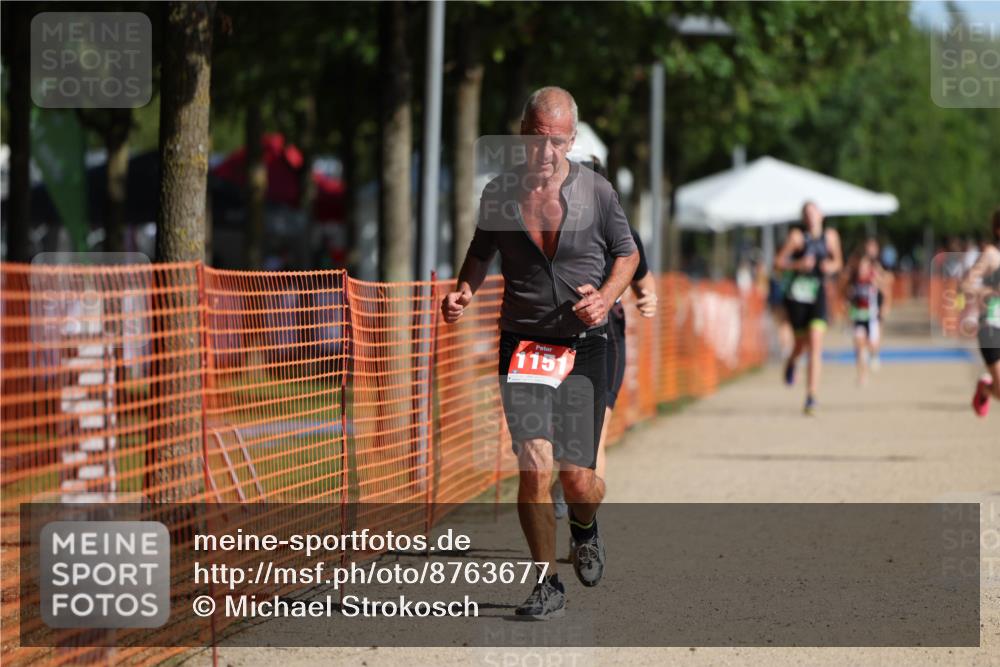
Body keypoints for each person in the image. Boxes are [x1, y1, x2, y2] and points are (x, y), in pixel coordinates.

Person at [441, 87, 639, 619]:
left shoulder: (597, 193)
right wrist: (464, 290)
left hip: (584, 344)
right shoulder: (500, 194)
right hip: (524, 343)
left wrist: (608, 295)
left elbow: (628, 253)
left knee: (577, 477)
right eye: (534, 139)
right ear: (520, 134)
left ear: (571, 140)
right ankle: (545, 582)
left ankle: (584, 524)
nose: (544, 152)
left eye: (555, 142)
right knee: (532, 466)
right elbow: (480, 253)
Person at [551, 157, 657, 531]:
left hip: (605, 339)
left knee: (593, 438)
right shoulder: (550, 227)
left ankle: (582, 534)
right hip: (553, 340)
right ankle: (566, 482)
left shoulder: (621, 231)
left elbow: (645, 281)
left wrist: (647, 300)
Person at [774, 201, 843, 415]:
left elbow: (838, 262)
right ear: (804, 218)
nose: (811, 217)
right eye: (807, 213)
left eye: (814, 212)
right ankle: (792, 362)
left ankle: (811, 396)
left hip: (818, 294)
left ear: (821, 215)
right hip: (797, 296)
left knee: (815, 343)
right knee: (801, 345)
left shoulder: (831, 237)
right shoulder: (796, 237)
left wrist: (829, 266)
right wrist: (798, 264)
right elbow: (777, 263)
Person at [964, 208, 1000, 417]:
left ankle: (987, 388)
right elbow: (965, 285)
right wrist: (989, 291)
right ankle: (984, 389)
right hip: (991, 326)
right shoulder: (991, 255)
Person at [841, 249, 883, 385]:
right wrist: (847, 309)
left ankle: (873, 354)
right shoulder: (852, 280)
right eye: (859, 266)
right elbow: (846, 296)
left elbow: (885, 288)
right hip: (858, 316)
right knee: (859, 347)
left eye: (864, 266)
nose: (861, 269)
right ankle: (862, 376)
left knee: (872, 345)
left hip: (872, 317)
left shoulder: (874, 278)